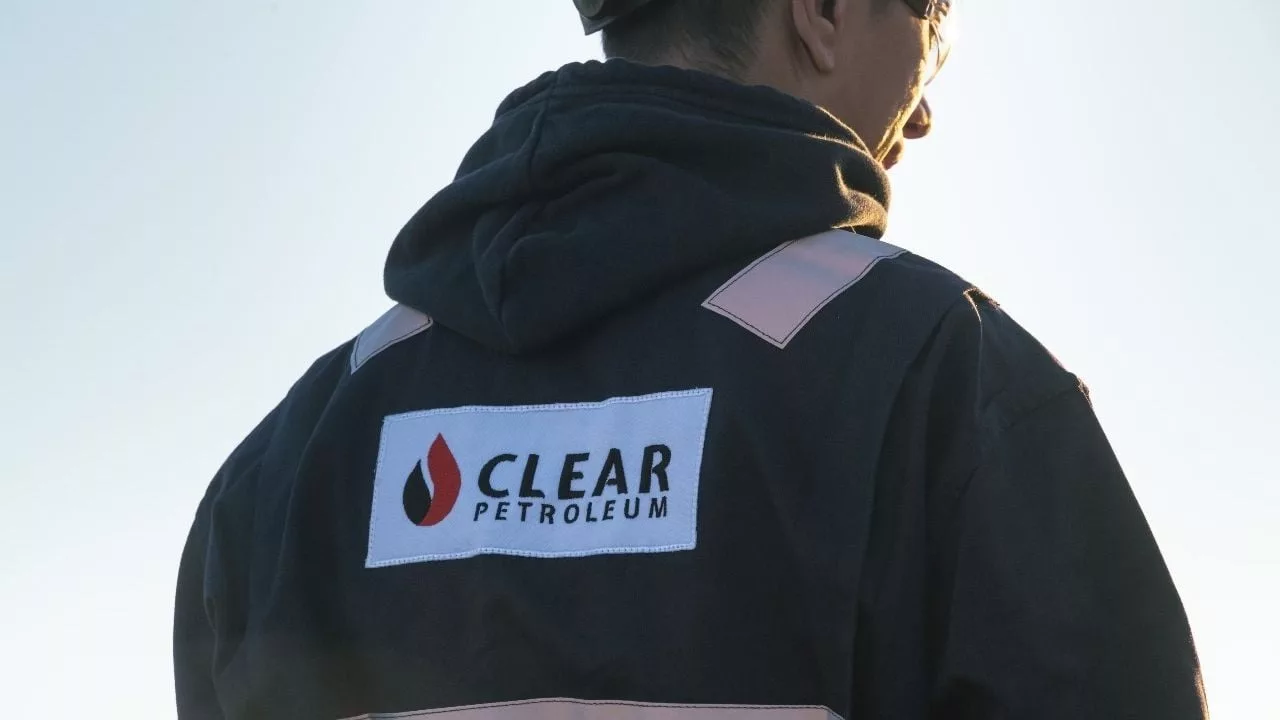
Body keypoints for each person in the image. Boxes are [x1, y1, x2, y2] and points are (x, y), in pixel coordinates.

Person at [173, 0, 1208, 718]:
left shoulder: (290, 461)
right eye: (929, 25)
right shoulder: (943, 385)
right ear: (821, 11)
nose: (925, 109)